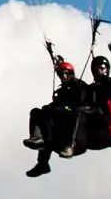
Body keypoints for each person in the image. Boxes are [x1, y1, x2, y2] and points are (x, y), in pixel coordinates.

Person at [23, 46, 91, 177]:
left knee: (50, 111)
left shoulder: (79, 85)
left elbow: (82, 102)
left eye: (67, 74)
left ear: (72, 74)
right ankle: (38, 142)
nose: (64, 76)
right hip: (60, 121)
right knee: (37, 112)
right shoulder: (63, 90)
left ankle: (60, 144)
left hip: (73, 119)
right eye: (61, 74)